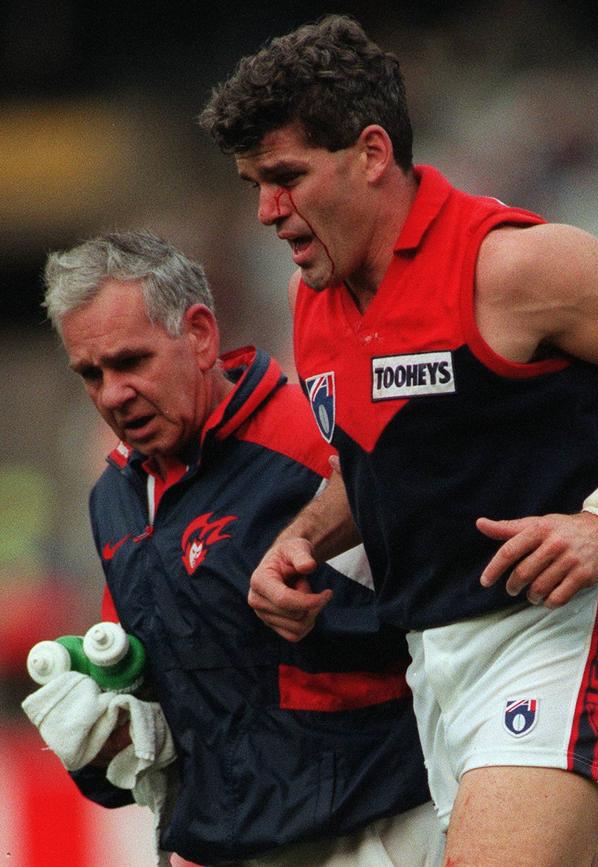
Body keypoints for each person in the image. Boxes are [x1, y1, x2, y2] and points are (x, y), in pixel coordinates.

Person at [199, 15, 598, 866]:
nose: (265, 210)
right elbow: (372, 466)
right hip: (434, 667)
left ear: (371, 153)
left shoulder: (512, 266)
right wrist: (296, 541)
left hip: (550, 641)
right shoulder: (317, 299)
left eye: (286, 177)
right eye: (254, 183)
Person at [33, 229, 443, 866]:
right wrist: (109, 739)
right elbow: (157, 687)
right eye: (91, 373)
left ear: (199, 334)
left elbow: (444, 616)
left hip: (383, 829)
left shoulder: (318, 442)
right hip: (227, 847)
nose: (112, 393)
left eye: (131, 361)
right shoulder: (112, 499)